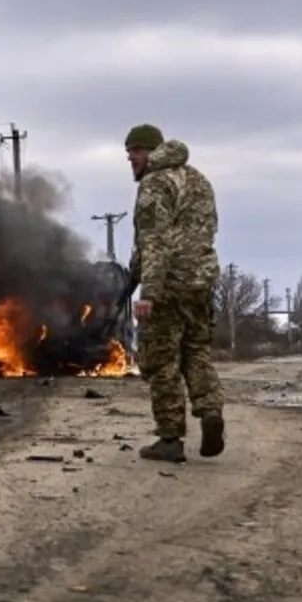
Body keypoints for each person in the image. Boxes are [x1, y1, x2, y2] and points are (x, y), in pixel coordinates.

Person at [125, 123, 226, 464]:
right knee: (196, 351)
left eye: (135, 151)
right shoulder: (198, 180)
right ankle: (210, 410)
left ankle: (170, 439)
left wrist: (147, 292)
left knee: (161, 361)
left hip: (167, 285)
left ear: (152, 151)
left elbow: (154, 241)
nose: (131, 159)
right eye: (129, 153)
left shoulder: (155, 184)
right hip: (201, 283)